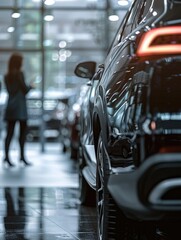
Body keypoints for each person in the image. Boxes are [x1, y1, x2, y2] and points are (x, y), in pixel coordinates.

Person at [3, 52, 34, 167]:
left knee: (9, 134)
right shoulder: (20, 74)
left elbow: (10, 91)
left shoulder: (6, 76)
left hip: (10, 108)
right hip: (20, 109)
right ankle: (22, 157)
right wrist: (31, 86)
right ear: (18, 63)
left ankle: (6, 157)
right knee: (22, 134)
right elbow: (25, 90)